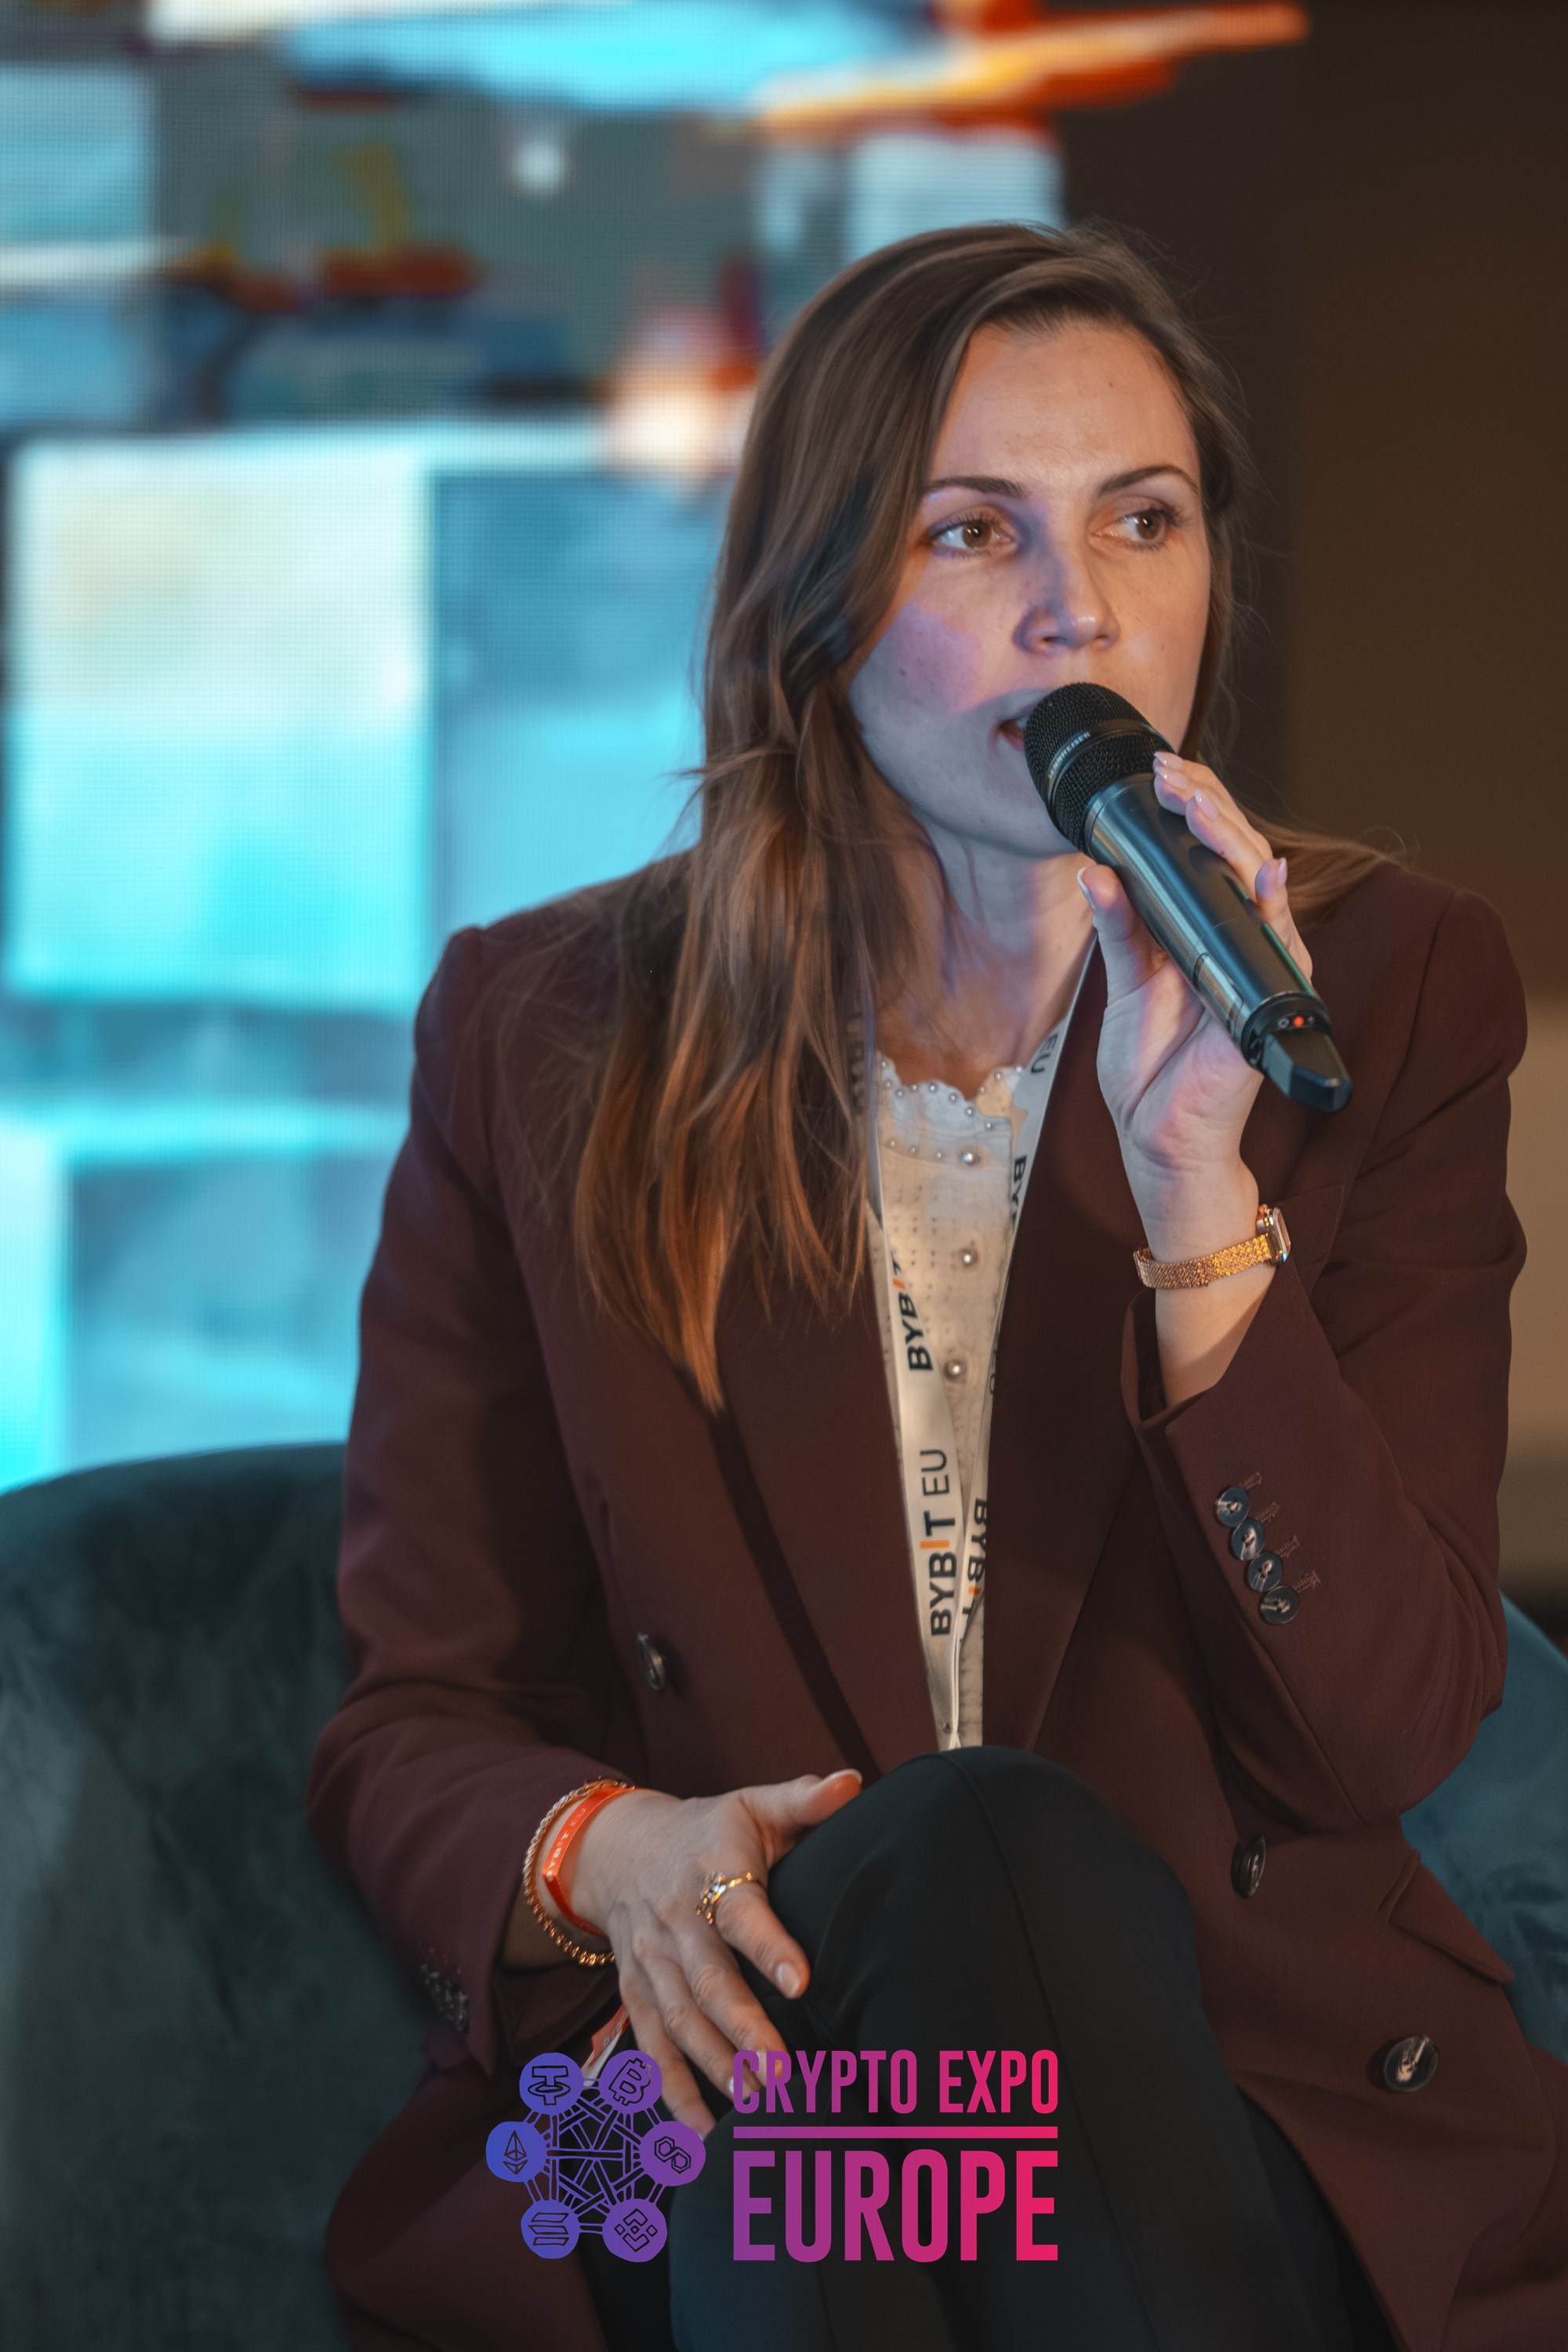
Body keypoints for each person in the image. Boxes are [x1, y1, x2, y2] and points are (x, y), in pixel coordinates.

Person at [306, 223, 1568, 2351]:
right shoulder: (546, 1032)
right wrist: (616, 1856)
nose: (1082, 608)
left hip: (1231, 2096)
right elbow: (412, 1723)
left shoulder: (1380, 994)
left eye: (1142, 520)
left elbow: (1387, 1726)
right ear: (816, 598)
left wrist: (1197, 1201)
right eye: (974, 530)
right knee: (928, 1914)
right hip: (700, 2089)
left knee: (995, 1886)